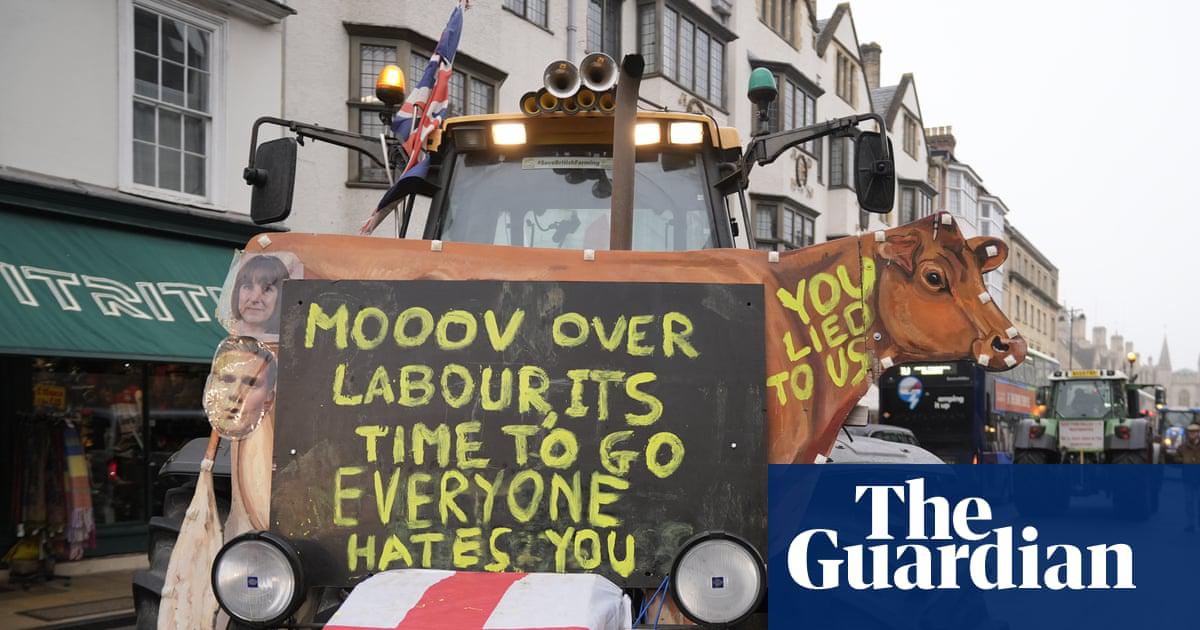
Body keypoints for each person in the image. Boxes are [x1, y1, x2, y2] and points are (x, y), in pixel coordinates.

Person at [204, 337, 276, 440]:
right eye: (227, 380)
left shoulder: (283, 453)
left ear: (269, 398)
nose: (235, 393)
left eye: (251, 383)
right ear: (209, 386)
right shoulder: (191, 452)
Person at [230, 254, 290, 340]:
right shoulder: (221, 335)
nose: (254, 299)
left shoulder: (290, 344)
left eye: (267, 289)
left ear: (281, 297)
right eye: (248, 287)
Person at [1179, 422, 1200, 532]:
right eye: (1190, 432)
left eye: (1195, 432)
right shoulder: (1183, 447)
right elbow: (1176, 459)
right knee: (1189, 502)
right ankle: (1191, 524)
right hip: (1188, 478)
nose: (1192, 434)